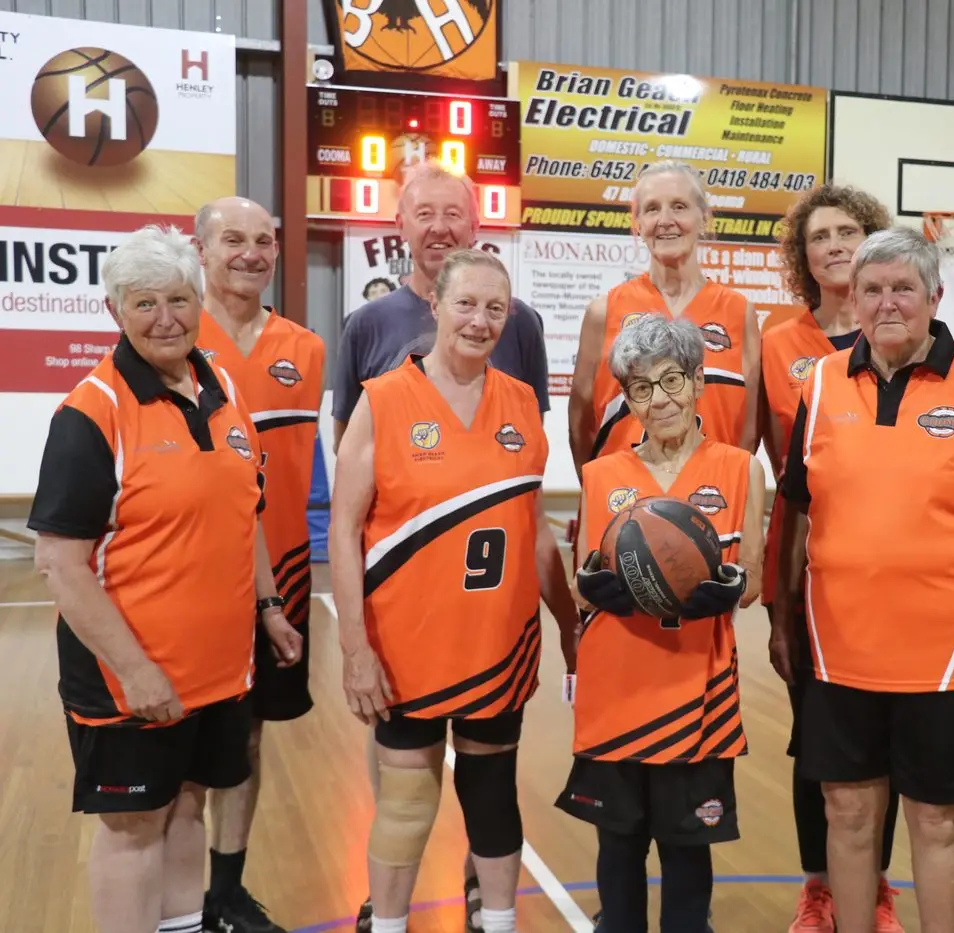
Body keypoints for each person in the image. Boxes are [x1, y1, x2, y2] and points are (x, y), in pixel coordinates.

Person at [26, 225, 302, 933]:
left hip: (218, 670)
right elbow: (61, 564)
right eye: (144, 303)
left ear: (198, 301)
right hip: (131, 681)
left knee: (187, 805)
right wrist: (136, 670)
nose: (166, 318)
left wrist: (270, 605)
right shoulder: (91, 413)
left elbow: (246, 511)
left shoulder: (221, 385)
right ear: (115, 310)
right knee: (133, 826)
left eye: (179, 299)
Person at [772, 227, 954, 933]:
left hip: (950, 647)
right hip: (839, 644)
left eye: (902, 288)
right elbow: (795, 507)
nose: (886, 303)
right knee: (847, 810)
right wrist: (780, 616)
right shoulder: (821, 381)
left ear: (934, 296)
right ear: (854, 298)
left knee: (936, 815)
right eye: (872, 289)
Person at [330, 248, 580, 933]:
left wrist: (568, 623)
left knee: (491, 792)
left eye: (495, 308)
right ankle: (388, 924)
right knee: (407, 802)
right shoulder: (384, 399)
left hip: (499, 641)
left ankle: (498, 922)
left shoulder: (521, 402)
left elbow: (533, 528)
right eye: (466, 303)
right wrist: (354, 649)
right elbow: (343, 532)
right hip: (404, 643)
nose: (479, 320)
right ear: (435, 305)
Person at [558, 314, 764, 933]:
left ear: (698, 382)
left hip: (698, 690)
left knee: (686, 850)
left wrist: (728, 587)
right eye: (642, 388)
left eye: (672, 379)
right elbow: (582, 586)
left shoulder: (741, 468)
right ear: (628, 399)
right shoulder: (600, 475)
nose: (661, 399)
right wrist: (593, 587)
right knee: (619, 847)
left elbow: (752, 580)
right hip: (616, 689)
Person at [762, 184, 903, 933]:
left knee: (887, 742)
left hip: (893, 573)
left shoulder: (905, 333)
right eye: (819, 237)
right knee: (815, 741)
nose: (835, 246)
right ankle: (818, 888)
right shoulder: (777, 341)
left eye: (848, 231)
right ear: (802, 255)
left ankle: (873, 888)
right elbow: (758, 456)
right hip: (804, 569)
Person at [191, 196, 325, 933]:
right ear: (201, 250)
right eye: (234, 239)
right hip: (194, 577)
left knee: (250, 735)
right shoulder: (176, 334)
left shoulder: (305, 346)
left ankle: (226, 891)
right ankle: (179, 893)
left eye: (265, 240)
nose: (251, 252)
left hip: (285, 576)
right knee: (187, 740)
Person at [333, 161, 551, 451]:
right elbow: (348, 447)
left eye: (453, 214)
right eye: (424, 214)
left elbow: (528, 438)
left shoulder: (520, 321)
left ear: (474, 227)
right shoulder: (365, 325)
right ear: (401, 226)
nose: (438, 227)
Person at [568, 159, 762, 478]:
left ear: (704, 218)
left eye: (679, 206)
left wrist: (727, 487)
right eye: (652, 209)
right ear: (637, 224)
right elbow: (581, 425)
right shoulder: (603, 312)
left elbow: (749, 429)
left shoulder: (739, 312)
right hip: (626, 498)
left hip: (713, 496)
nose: (665, 220)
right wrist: (604, 489)